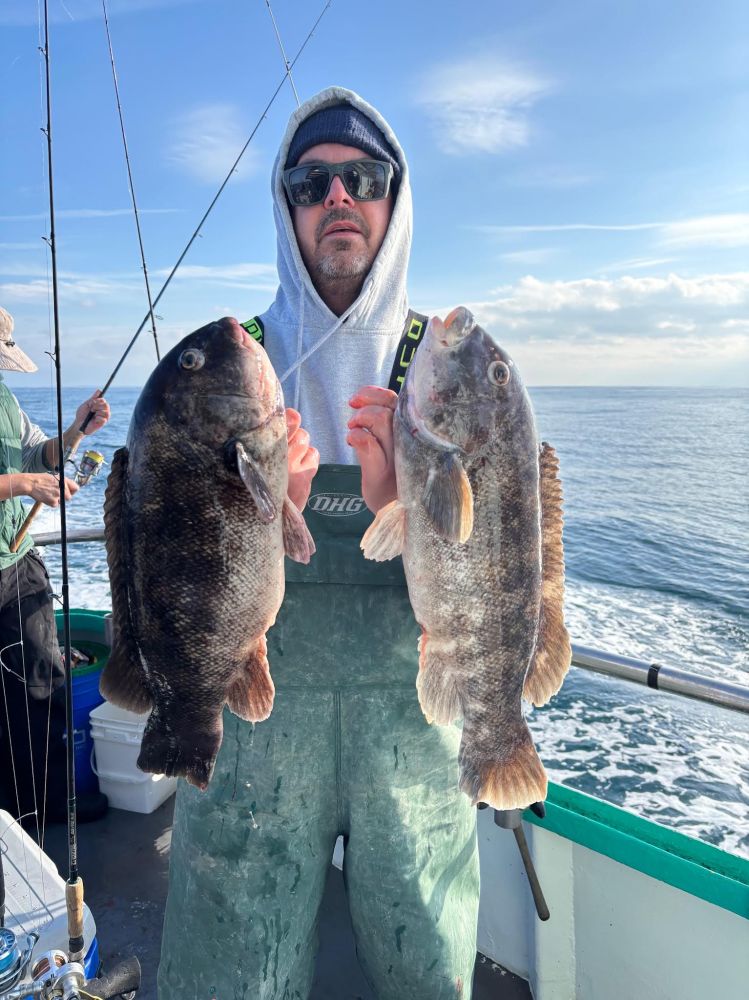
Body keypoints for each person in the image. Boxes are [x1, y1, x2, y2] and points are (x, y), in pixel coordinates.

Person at [158, 88, 479, 1000]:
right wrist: (263, 512)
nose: (338, 199)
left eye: (362, 178)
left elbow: (497, 574)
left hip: (415, 727)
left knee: (426, 953)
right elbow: (172, 547)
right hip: (249, 723)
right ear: (286, 204)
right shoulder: (230, 366)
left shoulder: (448, 365)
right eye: (311, 183)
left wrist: (407, 509)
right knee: (233, 960)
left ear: (395, 198)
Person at [0, 306, 111, 828]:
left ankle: (50, 798)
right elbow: (23, 477)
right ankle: (14, 808)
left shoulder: (5, 399)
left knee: (45, 678)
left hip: (17, 563)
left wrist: (75, 432)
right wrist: (22, 486)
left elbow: (37, 454)